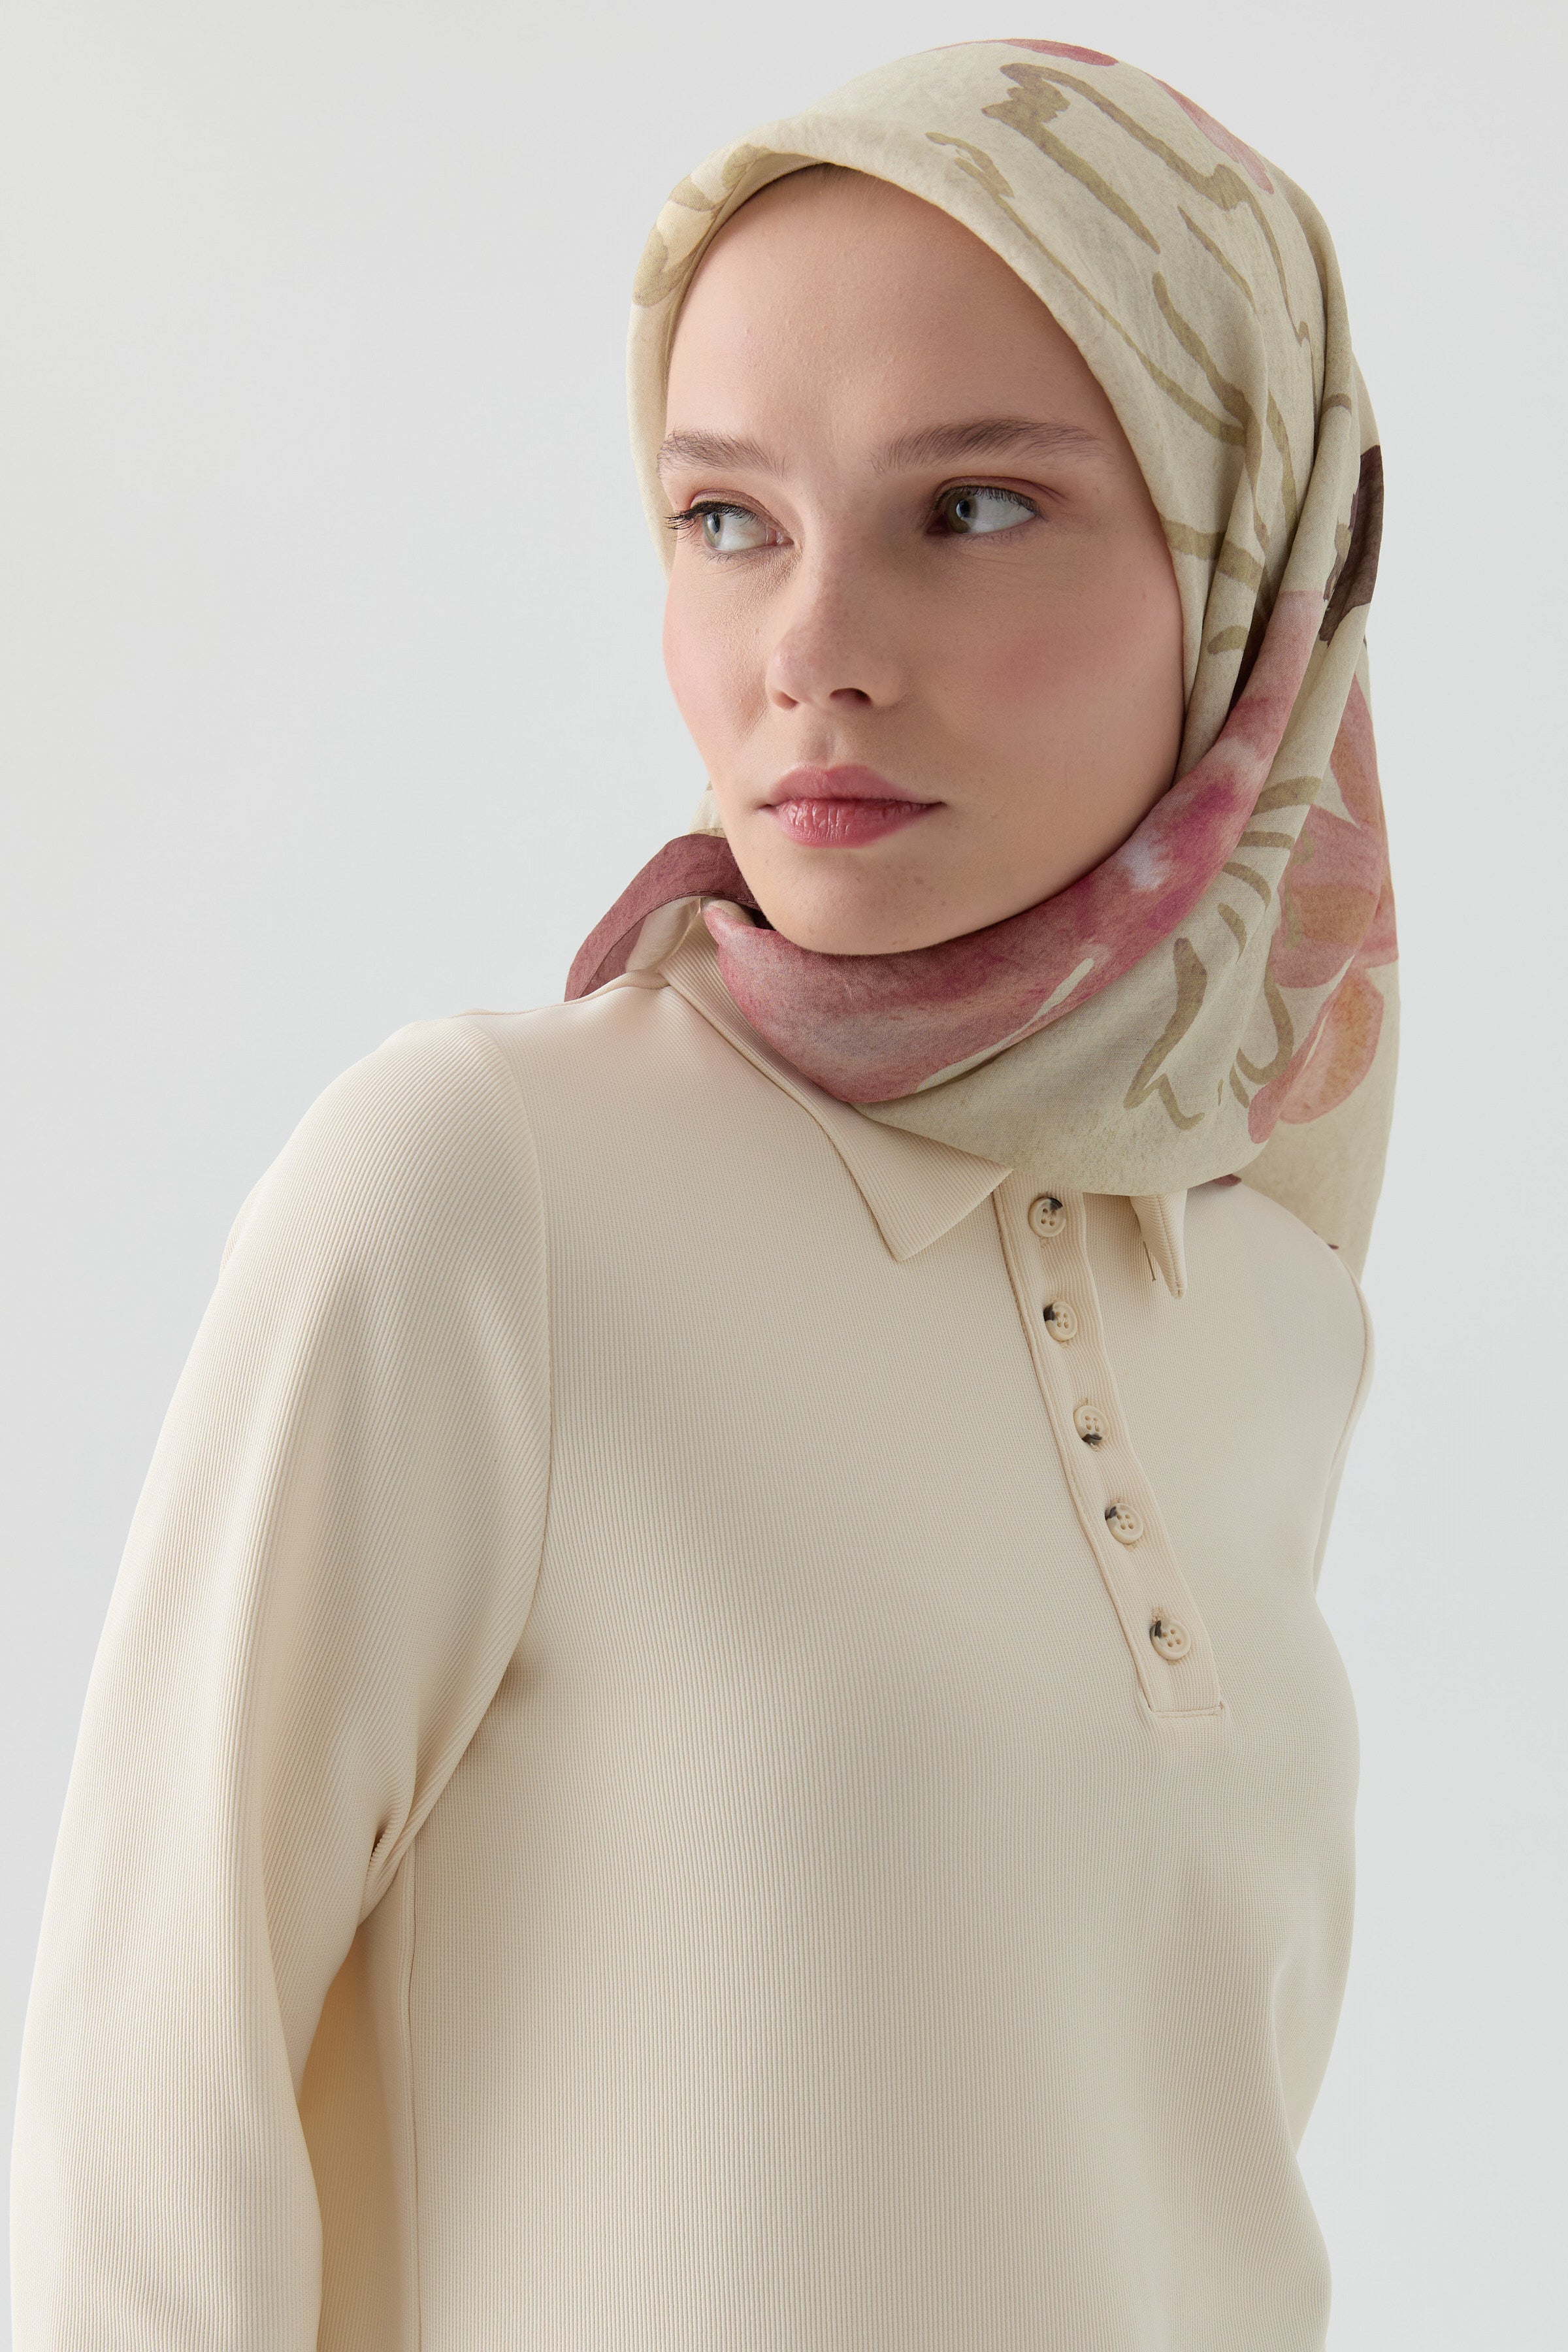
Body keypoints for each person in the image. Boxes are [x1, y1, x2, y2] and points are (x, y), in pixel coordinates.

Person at [10, 37, 1396, 2352]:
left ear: (1252, 565)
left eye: (973, 508)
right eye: (730, 519)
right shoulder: (487, 1191)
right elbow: (147, 2127)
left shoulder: (1265, 1293)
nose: (812, 653)